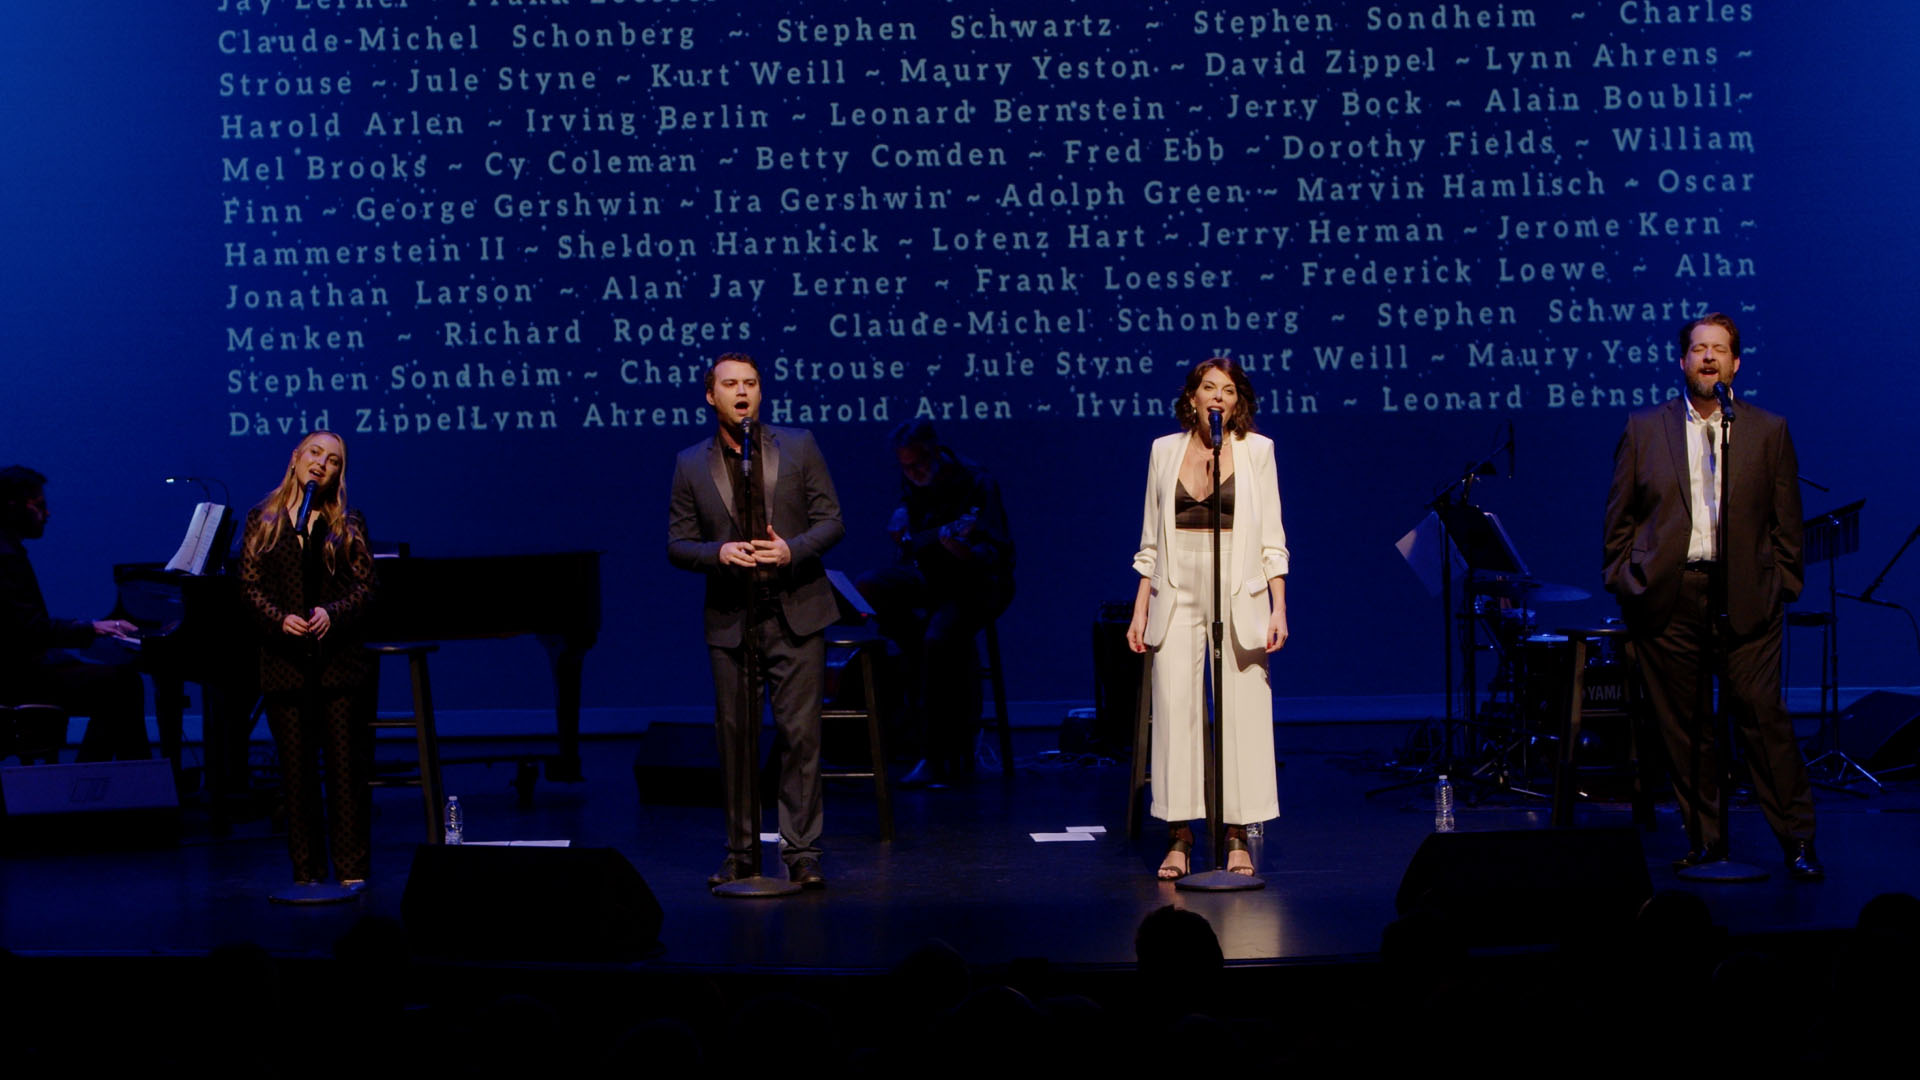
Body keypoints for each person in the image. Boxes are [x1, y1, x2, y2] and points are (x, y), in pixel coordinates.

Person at [1602, 312, 1820, 880]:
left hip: (1746, 595)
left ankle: (1797, 840)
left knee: (1761, 715)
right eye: (1698, 348)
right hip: (1669, 597)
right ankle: (1707, 841)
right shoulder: (1646, 427)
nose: (1708, 358)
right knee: (1687, 725)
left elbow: (1786, 522)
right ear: (1682, 361)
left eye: (1719, 350)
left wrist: (1783, 584)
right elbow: (1619, 518)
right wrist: (1626, 579)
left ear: (1736, 363)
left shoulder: (1767, 430)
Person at [669, 353, 845, 891]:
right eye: (730, 384)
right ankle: (741, 853)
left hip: (795, 611)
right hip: (731, 619)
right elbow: (677, 544)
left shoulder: (798, 445)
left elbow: (832, 522)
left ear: (760, 394)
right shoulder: (690, 463)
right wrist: (716, 554)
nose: (741, 392)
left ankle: (802, 853)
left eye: (750, 383)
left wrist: (790, 550)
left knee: (800, 739)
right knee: (737, 738)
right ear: (711, 396)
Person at [1126, 358, 1290, 880]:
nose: (1218, 397)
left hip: (1238, 590)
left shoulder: (1257, 452)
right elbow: (1151, 539)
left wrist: (1279, 605)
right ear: (1192, 398)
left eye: (1228, 390)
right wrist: (1140, 606)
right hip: (1178, 590)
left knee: (1242, 712)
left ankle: (1238, 834)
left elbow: (1272, 539)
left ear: (1238, 402)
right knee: (1176, 712)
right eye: (1208, 388)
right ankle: (1180, 835)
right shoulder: (1163, 451)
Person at [239, 431, 378, 890]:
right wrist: (280, 621)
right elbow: (250, 588)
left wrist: (330, 614)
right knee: (296, 778)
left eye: (333, 460)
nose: (322, 464)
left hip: (339, 667)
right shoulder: (263, 520)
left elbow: (365, 589)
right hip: (286, 667)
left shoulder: (348, 524)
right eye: (315, 454)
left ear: (339, 472)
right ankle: (308, 874)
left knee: (344, 774)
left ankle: (353, 870)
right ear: (296, 458)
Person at [857, 420, 1015, 786]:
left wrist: (963, 550)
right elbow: (913, 540)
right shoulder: (912, 482)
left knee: (939, 640)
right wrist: (903, 528)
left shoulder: (976, 482)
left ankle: (941, 755)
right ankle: (919, 655)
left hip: (978, 583)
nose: (914, 473)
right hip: (933, 578)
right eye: (907, 467)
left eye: (920, 463)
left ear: (935, 451)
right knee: (869, 584)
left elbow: (994, 553)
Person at [0, 465, 147, 762]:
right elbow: (30, 629)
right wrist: (91, 628)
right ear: (12, 505)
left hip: (16, 668)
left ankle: (95, 782)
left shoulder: (8, 548)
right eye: (39, 505)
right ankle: (99, 784)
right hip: (15, 677)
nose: (48, 514)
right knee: (123, 684)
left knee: (116, 683)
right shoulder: (5, 556)